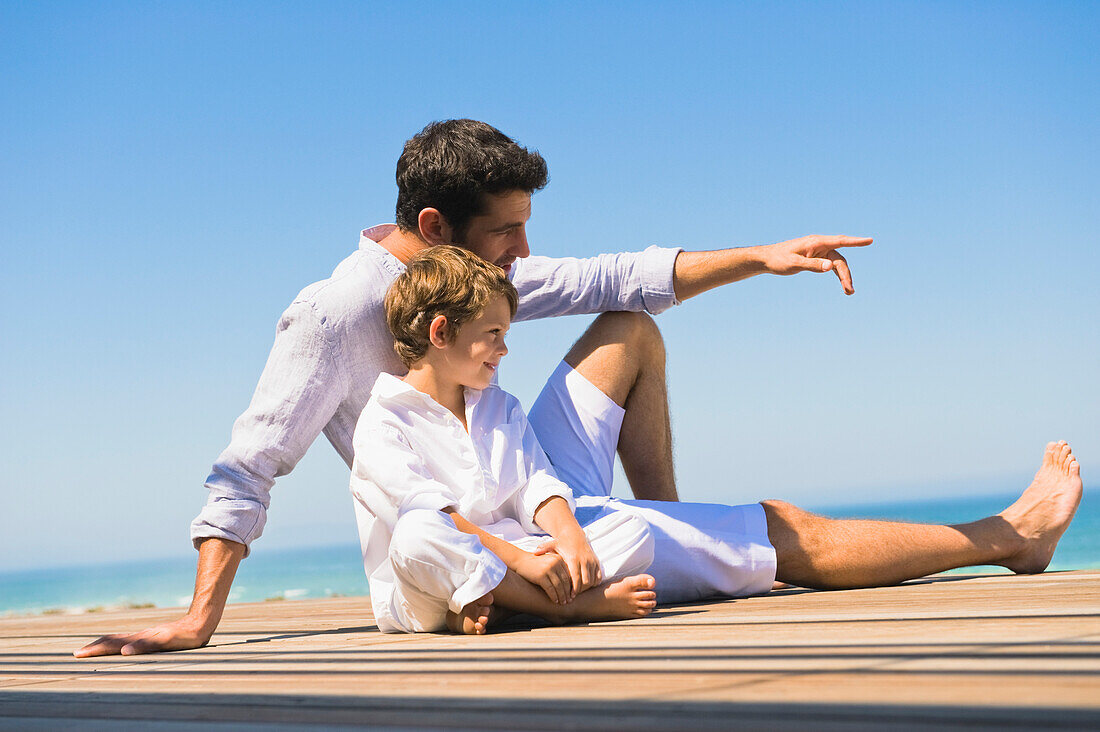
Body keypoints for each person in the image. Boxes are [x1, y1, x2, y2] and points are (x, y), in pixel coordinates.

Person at [75, 119, 1083, 657]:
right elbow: (251, 458)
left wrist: (764, 256)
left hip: (532, 490)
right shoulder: (335, 313)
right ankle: (1007, 539)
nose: (525, 250)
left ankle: (677, 533)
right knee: (781, 533)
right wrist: (198, 619)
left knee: (629, 330)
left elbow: (617, 279)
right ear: (435, 228)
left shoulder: (484, 284)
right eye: (506, 230)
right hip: (475, 530)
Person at [355, 245, 657, 634]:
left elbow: (536, 484)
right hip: (429, 586)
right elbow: (437, 517)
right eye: (493, 333)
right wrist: (522, 563)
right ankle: (563, 608)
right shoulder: (382, 421)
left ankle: (499, 606)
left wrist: (570, 537)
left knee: (635, 531)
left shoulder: (503, 407)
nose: (504, 348)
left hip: (522, 558)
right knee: (417, 534)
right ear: (441, 332)